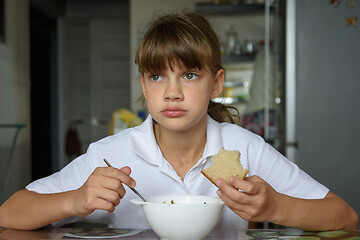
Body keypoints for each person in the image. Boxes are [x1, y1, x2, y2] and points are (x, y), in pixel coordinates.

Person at [0, 12, 357, 231]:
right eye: (157, 77)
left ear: (216, 83)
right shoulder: (110, 154)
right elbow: (9, 213)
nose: (172, 93)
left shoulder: (245, 149)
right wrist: (75, 200)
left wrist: (275, 207)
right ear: (143, 84)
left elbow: (345, 217)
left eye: (188, 75)